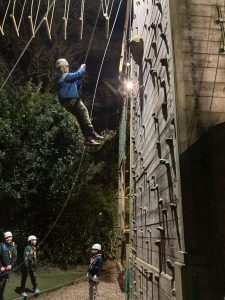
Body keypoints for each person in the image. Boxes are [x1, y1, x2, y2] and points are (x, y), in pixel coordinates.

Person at [54, 58, 103, 147]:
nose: (65, 69)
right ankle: (92, 133)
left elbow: (76, 84)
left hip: (68, 103)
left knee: (81, 119)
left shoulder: (63, 78)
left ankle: (89, 139)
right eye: (63, 67)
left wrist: (80, 79)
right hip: (71, 100)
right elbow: (76, 74)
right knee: (84, 112)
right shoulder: (61, 76)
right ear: (59, 69)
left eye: (66, 67)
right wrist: (82, 68)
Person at [0, 232, 17, 300]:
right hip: (1, 268)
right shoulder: (1, 245)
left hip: (6, 270)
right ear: (4, 238)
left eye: (9, 237)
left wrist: (11, 265)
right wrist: (1, 266)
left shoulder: (14, 246)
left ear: (12, 237)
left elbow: (15, 257)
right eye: (6, 237)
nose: (8, 238)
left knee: (3, 284)